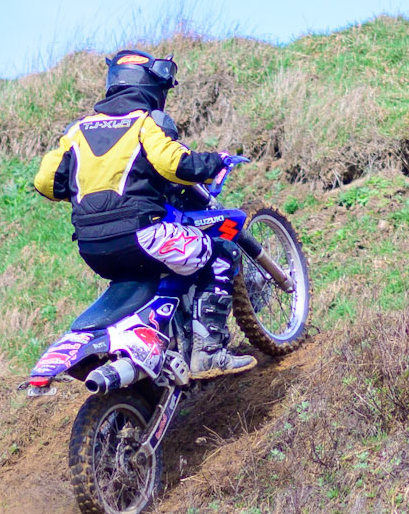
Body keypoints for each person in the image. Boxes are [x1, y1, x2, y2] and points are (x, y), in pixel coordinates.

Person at [33, 47, 254, 376]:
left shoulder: (77, 131)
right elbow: (174, 164)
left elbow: (45, 181)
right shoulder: (143, 123)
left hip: (93, 248)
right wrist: (214, 162)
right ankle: (208, 351)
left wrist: (86, 195)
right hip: (142, 235)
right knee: (222, 251)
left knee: (160, 264)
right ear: (151, 86)